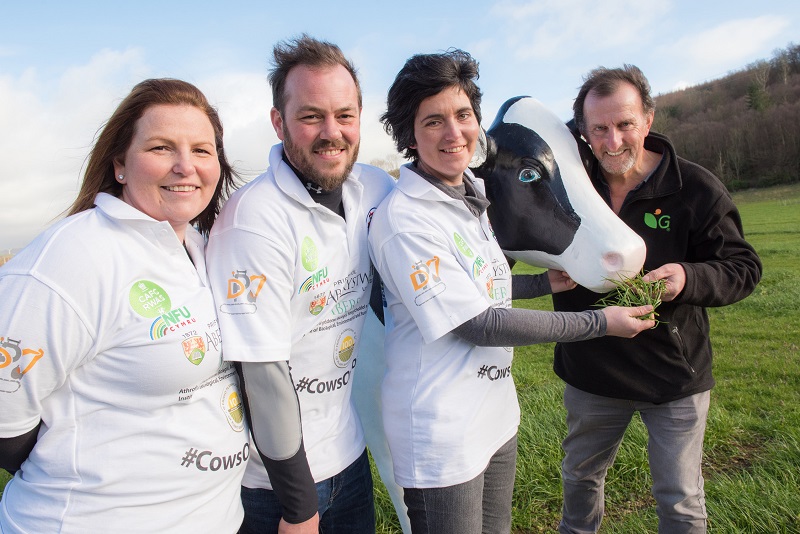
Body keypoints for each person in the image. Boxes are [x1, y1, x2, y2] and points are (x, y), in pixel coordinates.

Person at [367, 49, 655, 534]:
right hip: (442, 431)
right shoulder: (405, 219)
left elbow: (478, 285)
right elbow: (478, 322)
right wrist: (599, 324)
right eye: (433, 121)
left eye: (462, 116)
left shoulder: (472, 199)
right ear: (408, 134)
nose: (453, 133)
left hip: (495, 413)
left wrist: (542, 282)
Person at [0, 78, 248, 533]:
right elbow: (3, 419)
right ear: (119, 164)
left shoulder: (199, 246)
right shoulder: (70, 259)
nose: (184, 166)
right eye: (160, 148)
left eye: (201, 150)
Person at [554, 65, 763, 533]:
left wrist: (686, 278)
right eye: (599, 129)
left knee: (680, 497)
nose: (612, 142)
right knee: (580, 480)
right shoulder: (568, 185)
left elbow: (743, 268)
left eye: (625, 124)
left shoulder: (696, 188)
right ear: (582, 132)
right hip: (592, 371)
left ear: (648, 119)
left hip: (673, 376)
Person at [206, 35, 394, 534]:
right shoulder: (255, 219)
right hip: (272, 485)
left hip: (347, 455)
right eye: (311, 116)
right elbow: (261, 372)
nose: (332, 132)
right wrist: (298, 507)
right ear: (279, 121)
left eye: (345, 115)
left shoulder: (374, 187)